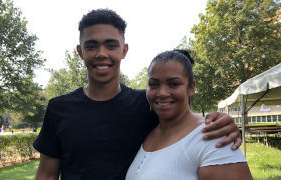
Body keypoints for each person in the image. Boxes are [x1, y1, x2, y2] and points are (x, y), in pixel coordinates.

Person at [33, 9, 241, 180]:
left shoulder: (147, 104)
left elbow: (185, 124)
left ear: (124, 50)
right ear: (80, 52)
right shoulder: (59, 108)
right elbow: (46, 175)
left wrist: (222, 122)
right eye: (92, 46)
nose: (101, 53)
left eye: (111, 45)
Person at [126, 50, 252, 180]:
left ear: (191, 87)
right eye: (154, 84)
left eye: (173, 84)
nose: (162, 93)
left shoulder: (212, 136)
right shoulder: (148, 128)